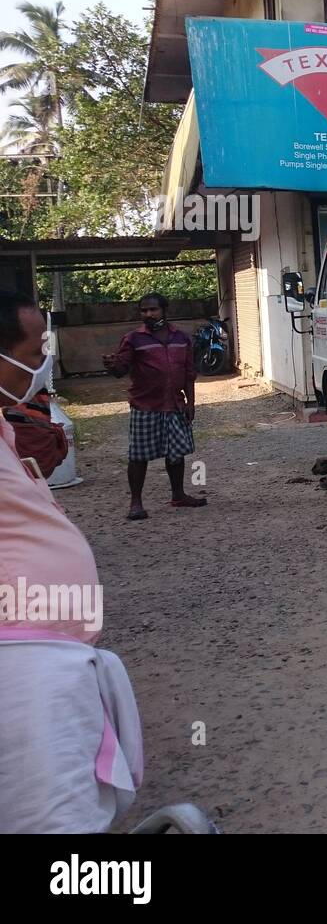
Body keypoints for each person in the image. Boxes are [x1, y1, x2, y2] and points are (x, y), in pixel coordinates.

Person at [0, 289, 143, 833]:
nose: (40, 364)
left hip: (51, 661)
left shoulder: (7, 424)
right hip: (24, 670)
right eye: (35, 349)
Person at [102, 293, 206, 519]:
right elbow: (121, 370)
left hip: (175, 405)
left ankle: (178, 496)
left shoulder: (181, 338)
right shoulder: (133, 339)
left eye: (153, 310)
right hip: (145, 405)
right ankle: (135, 503)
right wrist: (112, 365)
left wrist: (191, 402)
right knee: (139, 456)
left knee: (176, 453)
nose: (148, 314)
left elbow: (189, 373)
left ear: (164, 310)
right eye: (144, 311)